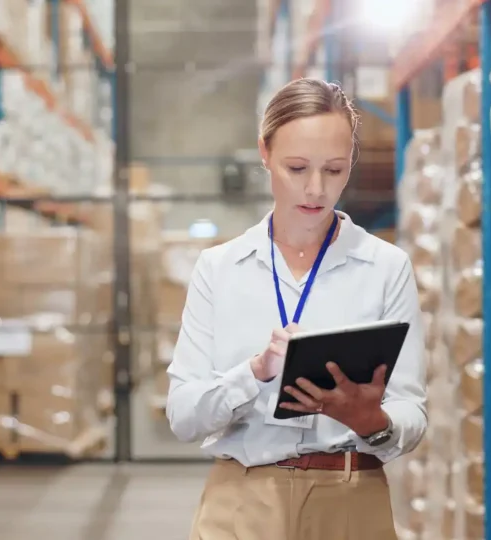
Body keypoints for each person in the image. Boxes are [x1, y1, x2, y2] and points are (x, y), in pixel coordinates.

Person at [165, 78, 427, 540]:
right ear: (264, 153)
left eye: (334, 170)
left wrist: (374, 422)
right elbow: (184, 417)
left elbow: (412, 414)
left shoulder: (385, 267)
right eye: (297, 167)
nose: (315, 189)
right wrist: (254, 372)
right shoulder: (220, 269)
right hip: (241, 499)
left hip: (350, 496)